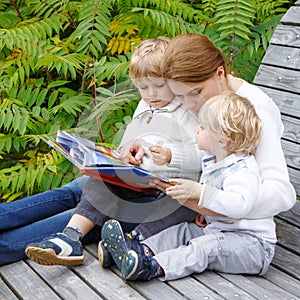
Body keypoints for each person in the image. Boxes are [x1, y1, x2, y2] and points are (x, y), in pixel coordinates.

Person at [24, 37, 201, 266]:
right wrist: (127, 150)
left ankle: (127, 244)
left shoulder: (186, 111)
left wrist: (171, 155)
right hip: (141, 182)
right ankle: (70, 237)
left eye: (159, 86)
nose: (151, 94)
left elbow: (202, 154)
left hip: (171, 190)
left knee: (177, 208)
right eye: (143, 87)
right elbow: (130, 142)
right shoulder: (145, 106)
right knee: (103, 180)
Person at [100, 91, 277, 281]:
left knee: (205, 248)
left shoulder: (242, 169)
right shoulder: (213, 159)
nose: (197, 129)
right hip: (218, 230)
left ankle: (152, 267)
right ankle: (136, 250)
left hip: (253, 246)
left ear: (222, 139)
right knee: (183, 230)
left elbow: (239, 205)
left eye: (202, 127)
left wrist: (199, 191)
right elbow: (211, 193)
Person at [125, 33, 296, 219]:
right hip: (177, 195)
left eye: (195, 92)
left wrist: (210, 205)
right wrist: (136, 144)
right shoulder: (189, 92)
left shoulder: (255, 108)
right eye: (179, 96)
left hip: (233, 221)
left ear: (220, 73)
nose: (188, 105)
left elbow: (281, 194)